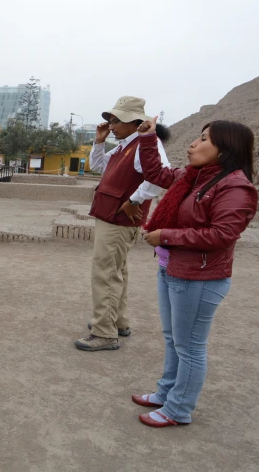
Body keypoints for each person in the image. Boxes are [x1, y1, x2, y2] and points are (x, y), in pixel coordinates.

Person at [131, 118, 257, 427]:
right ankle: (166, 392)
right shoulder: (194, 177)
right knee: (174, 338)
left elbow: (221, 235)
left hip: (199, 277)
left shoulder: (236, 187)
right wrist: (148, 139)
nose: (193, 144)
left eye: (203, 140)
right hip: (173, 268)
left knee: (189, 346)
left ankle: (179, 409)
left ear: (225, 150)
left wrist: (168, 236)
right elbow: (158, 174)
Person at [75, 96, 171, 351]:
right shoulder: (125, 146)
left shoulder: (145, 144)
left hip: (120, 217)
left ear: (134, 121)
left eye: (116, 121)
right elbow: (98, 166)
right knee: (117, 270)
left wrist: (134, 200)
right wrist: (99, 141)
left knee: (105, 272)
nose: (112, 125)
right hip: (112, 216)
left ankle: (104, 332)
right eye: (111, 120)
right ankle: (117, 321)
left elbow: (158, 177)